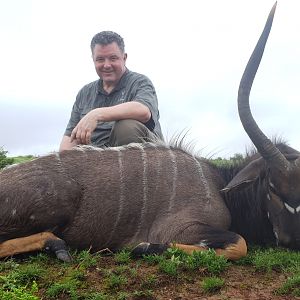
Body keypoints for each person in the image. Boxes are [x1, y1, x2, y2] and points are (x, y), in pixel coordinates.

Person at [59, 31, 163, 152]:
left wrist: (96, 114)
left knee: (126, 128)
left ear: (124, 58)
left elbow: (143, 111)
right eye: (100, 59)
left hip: (141, 157)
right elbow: (70, 138)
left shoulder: (140, 82)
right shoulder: (84, 93)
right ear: (93, 60)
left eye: (113, 58)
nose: (107, 65)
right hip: (96, 158)